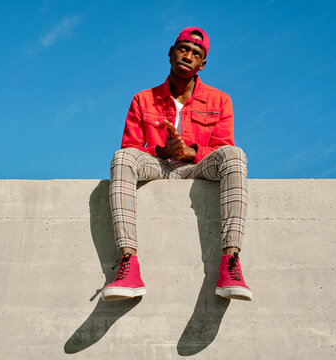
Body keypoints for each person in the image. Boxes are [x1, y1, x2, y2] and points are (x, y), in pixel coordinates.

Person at [101, 27, 252, 302]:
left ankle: (231, 263)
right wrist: (161, 149)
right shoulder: (142, 99)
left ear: (202, 64)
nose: (188, 55)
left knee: (235, 155)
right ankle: (128, 265)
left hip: (198, 167)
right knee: (121, 158)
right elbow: (131, 148)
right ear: (171, 53)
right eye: (183, 49)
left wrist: (190, 152)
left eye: (196, 53)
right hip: (158, 166)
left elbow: (222, 147)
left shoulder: (220, 100)